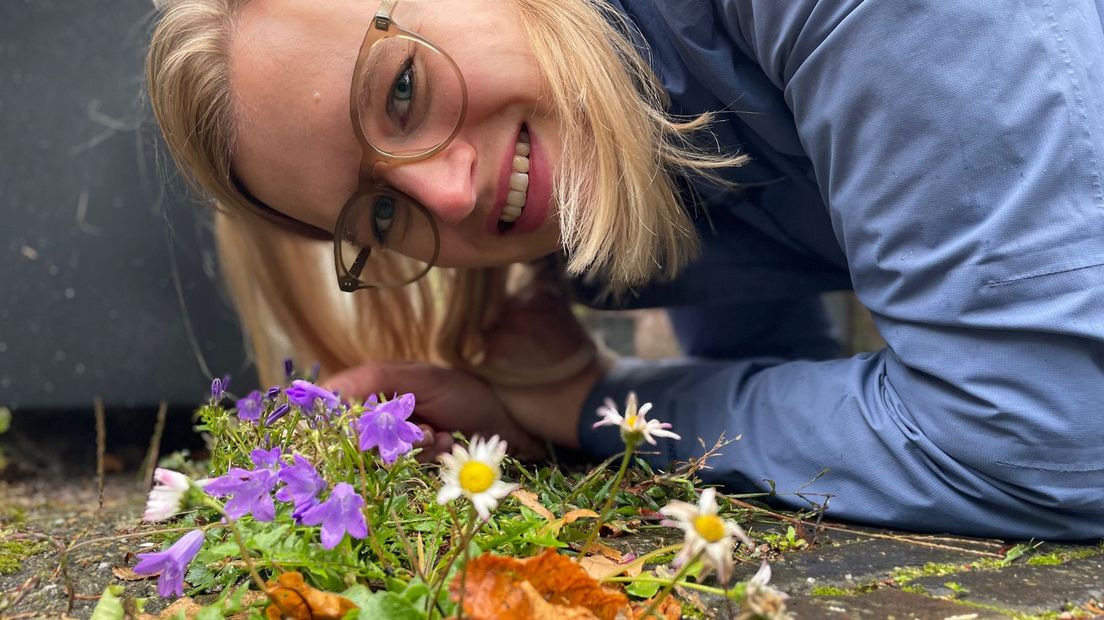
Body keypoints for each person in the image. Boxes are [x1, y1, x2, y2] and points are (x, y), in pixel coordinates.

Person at [146, 0, 1104, 540]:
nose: (444, 198)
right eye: (380, 212)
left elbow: (1042, 435)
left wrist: (584, 408)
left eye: (401, 91)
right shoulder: (609, 172)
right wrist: (582, 404)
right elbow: (771, 354)